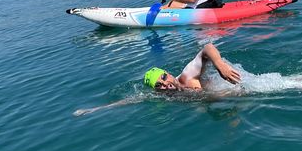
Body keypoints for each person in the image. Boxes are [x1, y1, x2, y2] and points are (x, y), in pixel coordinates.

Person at [72, 43, 240, 116]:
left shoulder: (187, 77)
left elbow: (207, 48)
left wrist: (219, 64)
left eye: (164, 77)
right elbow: (130, 100)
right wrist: (94, 110)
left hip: (239, 88)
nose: (166, 84)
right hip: (225, 102)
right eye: (159, 86)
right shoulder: (166, 96)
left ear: (168, 73)